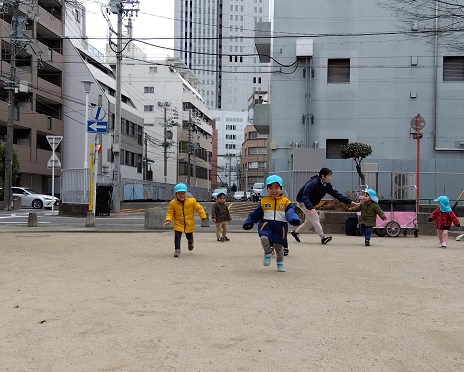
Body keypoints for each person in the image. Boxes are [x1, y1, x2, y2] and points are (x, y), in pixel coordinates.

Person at [243, 175, 300, 272]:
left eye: (276, 188)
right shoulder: (264, 201)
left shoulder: (286, 202)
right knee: (264, 238)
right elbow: (255, 213)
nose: (274, 190)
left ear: (281, 188)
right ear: (267, 189)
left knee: (279, 247)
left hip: (280, 227)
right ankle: (268, 252)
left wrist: (293, 219)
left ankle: (280, 262)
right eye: (271, 188)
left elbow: (291, 211)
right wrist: (249, 222)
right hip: (266, 225)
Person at [291, 167, 358, 244]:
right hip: (303, 202)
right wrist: (311, 208)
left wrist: (350, 202)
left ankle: (296, 232)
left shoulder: (326, 185)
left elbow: (337, 195)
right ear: (323, 176)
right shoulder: (313, 183)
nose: (330, 178)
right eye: (329, 176)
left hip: (310, 204)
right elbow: (304, 196)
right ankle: (323, 237)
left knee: (309, 222)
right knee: (315, 218)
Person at [164, 183, 207, 257]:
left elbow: (199, 208)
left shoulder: (192, 201)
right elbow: (170, 213)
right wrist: (168, 220)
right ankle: (177, 250)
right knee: (177, 237)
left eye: (183, 193)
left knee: (189, 236)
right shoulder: (173, 203)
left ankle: (190, 242)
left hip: (189, 223)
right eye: (179, 193)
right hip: (178, 223)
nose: (182, 195)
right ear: (176, 194)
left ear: (186, 193)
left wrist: (203, 216)